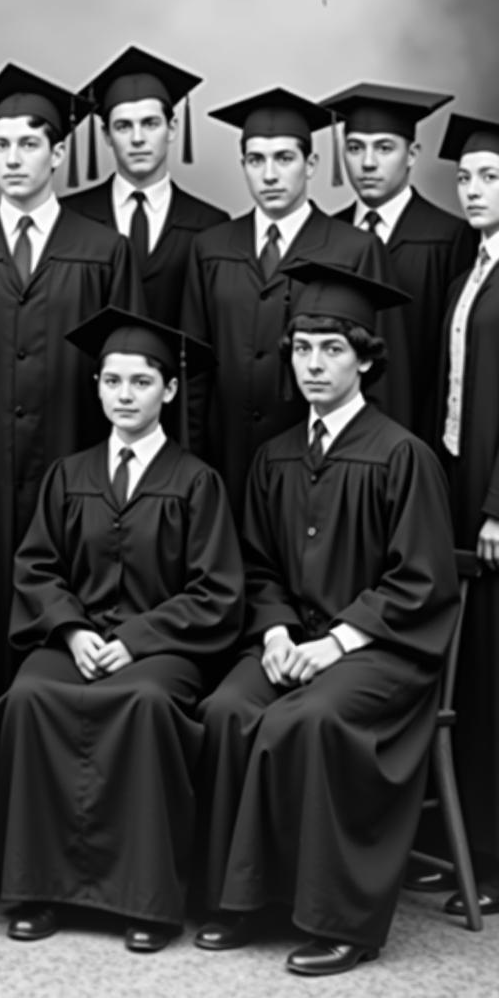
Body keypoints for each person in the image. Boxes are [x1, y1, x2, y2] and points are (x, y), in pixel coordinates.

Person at [194, 260, 459, 976]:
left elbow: (423, 580)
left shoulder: (403, 455)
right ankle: (240, 898)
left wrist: (336, 642)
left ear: (366, 360)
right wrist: (277, 631)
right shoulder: (276, 455)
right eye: (302, 348)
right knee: (227, 708)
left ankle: (340, 919)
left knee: (305, 721)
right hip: (295, 642)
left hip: (385, 652)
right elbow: (256, 567)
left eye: (333, 349)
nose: (313, 364)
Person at [0, 307, 243, 952]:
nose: (124, 395)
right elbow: (37, 566)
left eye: (140, 382)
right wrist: (74, 632)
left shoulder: (197, 481)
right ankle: (41, 891)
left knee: (146, 701)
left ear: (169, 389)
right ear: (97, 387)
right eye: (111, 381)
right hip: (77, 641)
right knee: (29, 697)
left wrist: (134, 640)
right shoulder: (69, 475)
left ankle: (146, 900)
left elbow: (216, 589)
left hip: (163, 648)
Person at [0, 63, 145, 703]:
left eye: (30, 143)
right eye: (1, 145)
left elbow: (128, 375)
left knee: (72, 617)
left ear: (59, 152)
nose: (14, 158)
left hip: (76, 471)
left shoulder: (103, 250)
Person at [180, 87, 389, 518]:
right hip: (226, 462)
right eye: (256, 161)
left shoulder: (354, 248)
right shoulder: (211, 247)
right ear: (243, 166)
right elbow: (194, 373)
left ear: (311, 164)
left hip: (321, 467)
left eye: (284, 159)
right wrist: (191, 463)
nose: (270, 174)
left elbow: (377, 376)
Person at [322, 83, 476, 437]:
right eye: (355, 148)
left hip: (421, 425)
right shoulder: (327, 233)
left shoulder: (451, 236)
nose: (368, 163)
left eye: (384, 148)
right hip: (338, 430)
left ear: (412, 154)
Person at [432, 113, 499, 917]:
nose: (475, 190)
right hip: (463, 481)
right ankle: (476, 848)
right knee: (477, 668)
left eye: (491, 179)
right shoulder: (472, 273)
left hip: (492, 500)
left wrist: (494, 504)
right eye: (469, 179)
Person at [62, 46, 226, 326]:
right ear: (106, 135)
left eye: (150, 124)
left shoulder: (211, 224)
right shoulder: (68, 218)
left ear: (172, 128)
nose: (138, 138)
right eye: (124, 126)